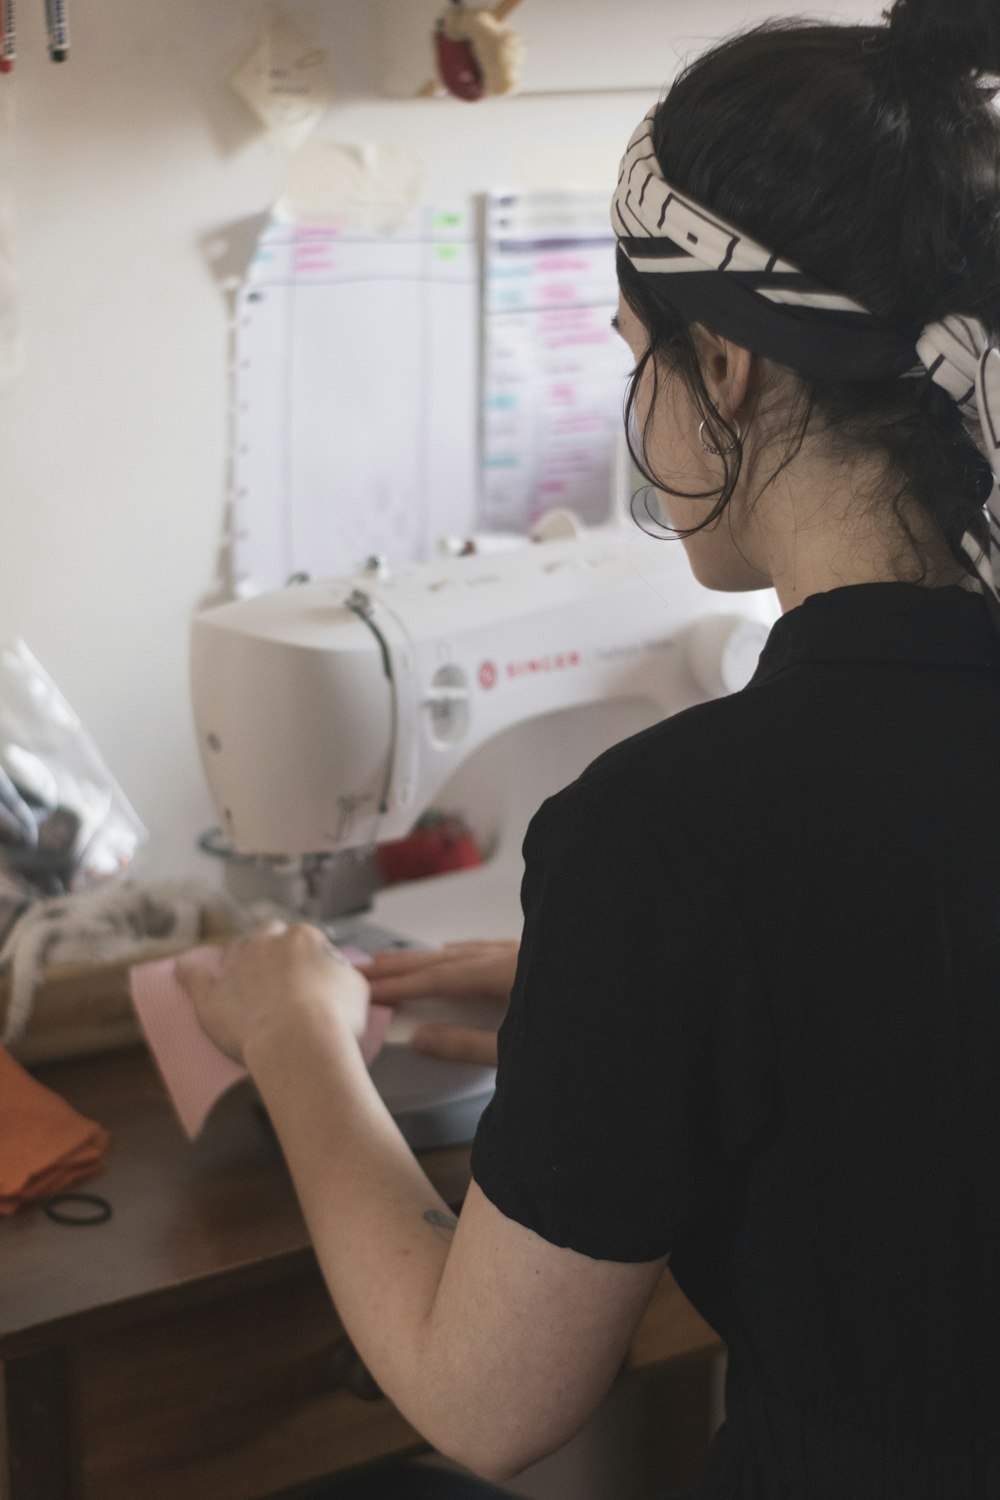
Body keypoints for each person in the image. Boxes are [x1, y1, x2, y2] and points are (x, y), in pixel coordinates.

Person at [178, 0, 1000, 1494]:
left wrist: (295, 1037)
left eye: (636, 353)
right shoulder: (705, 857)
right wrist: (624, 999)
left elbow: (485, 1400)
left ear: (727, 369)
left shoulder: (679, 833)